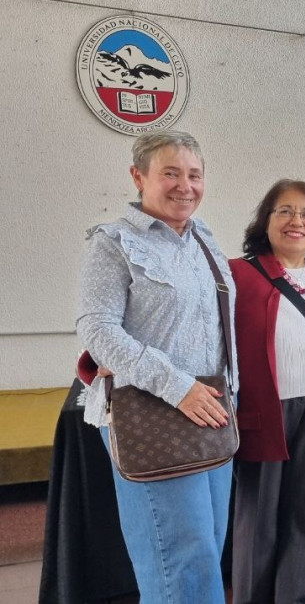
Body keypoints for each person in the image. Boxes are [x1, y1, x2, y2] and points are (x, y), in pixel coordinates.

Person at [75, 130, 236, 604]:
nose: (185, 185)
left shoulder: (203, 238)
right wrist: (177, 386)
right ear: (138, 176)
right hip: (152, 412)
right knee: (179, 562)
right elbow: (98, 329)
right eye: (170, 173)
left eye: (194, 174)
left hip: (211, 410)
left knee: (207, 550)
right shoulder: (113, 243)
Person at [229, 180, 305, 603]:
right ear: (266, 221)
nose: (296, 221)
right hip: (265, 410)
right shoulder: (238, 273)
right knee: (257, 520)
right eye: (284, 211)